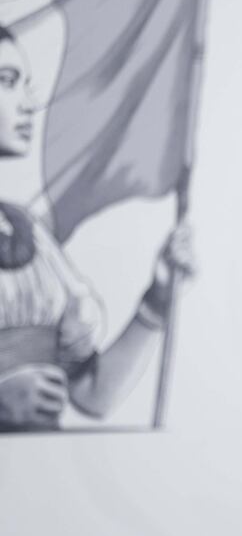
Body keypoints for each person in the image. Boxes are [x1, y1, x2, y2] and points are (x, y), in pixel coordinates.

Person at [0, 23, 193, 430]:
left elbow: (93, 395)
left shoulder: (28, 232)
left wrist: (156, 299)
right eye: (7, 81)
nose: (28, 102)